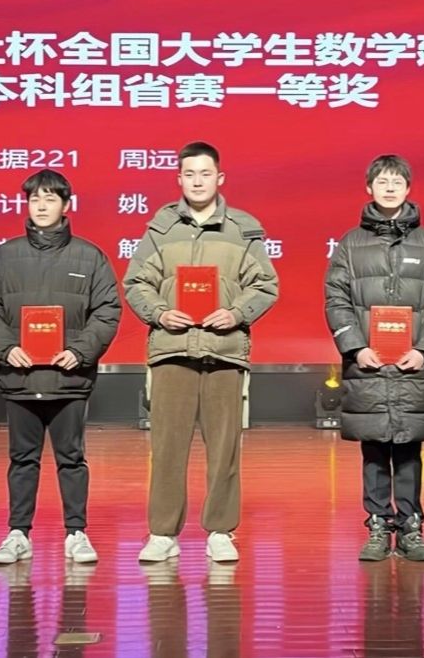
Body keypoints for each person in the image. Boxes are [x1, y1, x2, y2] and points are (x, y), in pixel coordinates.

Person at [123, 141, 279, 564]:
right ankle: (162, 533)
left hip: (224, 350)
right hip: (172, 349)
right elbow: (136, 283)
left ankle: (221, 531)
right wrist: (159, 313)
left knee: (225, 448)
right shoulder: (160, 228)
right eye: (189, 174)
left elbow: (265, 285)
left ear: (219, 178)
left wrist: (236, 313)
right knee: (167, 447)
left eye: (205, 174)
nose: (197, 181)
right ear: (179, 179)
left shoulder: (243, 229)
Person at [0, 169, 121, 566]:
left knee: (71, 458)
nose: (41, 206)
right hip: (20, 376)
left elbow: (107, 310)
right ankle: (18, 533)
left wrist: (80, 350)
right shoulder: (4, 256)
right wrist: (6, 348)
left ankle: (76, 533)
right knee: (22, 459)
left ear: (66, 205)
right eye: (34, 198)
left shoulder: (90, 257)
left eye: (50, 198)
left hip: (68, 376)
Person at [324, 154, 424, 562]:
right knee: (375, 448)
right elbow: (336, 299)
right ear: (369, 188)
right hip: (368, 363)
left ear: (408, 188)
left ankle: (411, 527)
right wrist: (355, 346)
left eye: (397, 181)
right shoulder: (350, 244)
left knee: (410, 447)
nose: (390, 187)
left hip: (413, 364)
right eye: (382, 181)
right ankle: (378, 525)